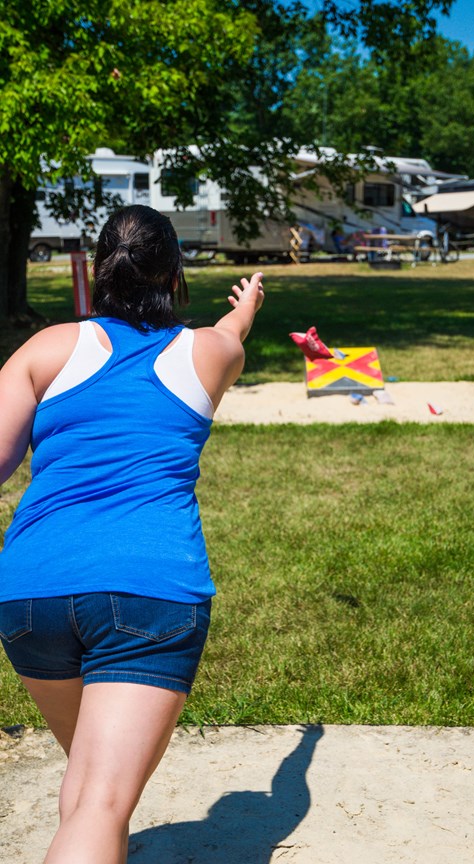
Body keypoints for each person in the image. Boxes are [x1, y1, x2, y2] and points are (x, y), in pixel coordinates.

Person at [0, 204, 264, 864]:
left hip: (31, 595)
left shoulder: (45, 348)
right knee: (100, 802)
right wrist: (247, 303)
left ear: (95, 275)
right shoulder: (211, 353)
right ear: (175, 276)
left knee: (86, 792)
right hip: (149, 590)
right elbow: (232, 332)